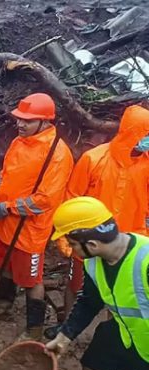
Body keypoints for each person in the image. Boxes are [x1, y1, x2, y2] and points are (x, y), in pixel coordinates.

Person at [46, 196, 149, 370]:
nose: (71, 250)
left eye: (72, 244)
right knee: (95, 361)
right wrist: (64, 337)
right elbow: (90, 301)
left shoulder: (146, 260)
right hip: (126, 332)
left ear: (91, 244)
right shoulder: (94, 261)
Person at [51, 105, 149, 334]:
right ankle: (67, 328)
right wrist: (65, 237)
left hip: (128, 243)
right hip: (87, 240)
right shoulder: (93, 159)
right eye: (146, 135)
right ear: (132, 133)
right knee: (76, 285)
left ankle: (114, 332)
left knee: (121, 291)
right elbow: (72, 198)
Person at [0, 93, 74, 341]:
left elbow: (45, 199)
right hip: (2, 224)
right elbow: (4, 175)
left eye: (27, 120)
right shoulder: (19, 142)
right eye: (19, 119)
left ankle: (33, 330)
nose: (20, 124)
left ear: (45, 122)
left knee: (32, 280)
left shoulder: (57, 154)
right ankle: (2, 305)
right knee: (4, 267)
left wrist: (8, 207)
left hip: (28, 230)